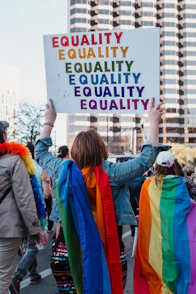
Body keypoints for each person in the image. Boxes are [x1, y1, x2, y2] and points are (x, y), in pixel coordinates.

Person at [35, 98, 167, 293]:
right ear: (102, 150)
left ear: (75, 151)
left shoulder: (63, 170)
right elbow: (145, 160)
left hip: (67, 252)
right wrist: (153, 122)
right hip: (107, 255)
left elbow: (39, 152)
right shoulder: (112, 174)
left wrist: (49, 120)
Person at [134, 151, 196, 294]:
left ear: (157, 165)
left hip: (156, 237)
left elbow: (144, 207)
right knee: (179, 266)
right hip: (179, 236)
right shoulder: (182, 182)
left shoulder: (148, 184)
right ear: (174, 165)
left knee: (160, 267)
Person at [0, 121, 46, 294]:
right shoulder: (14, 160)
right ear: (4, 136)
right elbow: (25, 199)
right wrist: (36, 229)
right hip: (7, 228)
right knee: (3, 280)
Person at [10, 143, 49, 293]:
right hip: (34, 211)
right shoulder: (39, 168)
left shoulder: (16, 165)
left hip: (18, 212)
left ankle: (33, 273)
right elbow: (45, 194)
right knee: (33, 246)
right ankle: (17, 277)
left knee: (29, 244)